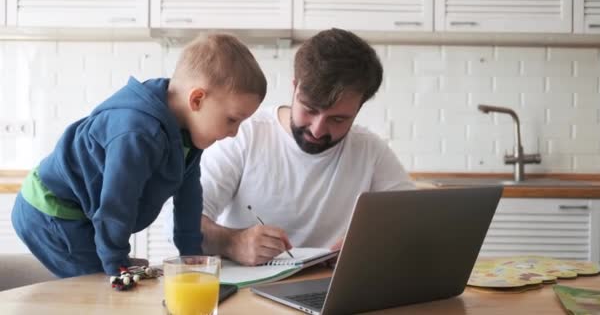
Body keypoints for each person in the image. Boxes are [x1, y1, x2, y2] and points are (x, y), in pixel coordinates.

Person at [11, 33, 267, 278]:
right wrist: (117, 265)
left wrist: (192, 259)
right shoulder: (138, 133)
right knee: (102, 288)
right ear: (197, 99)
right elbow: (116, 205)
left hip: (84, 213)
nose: (234, 133)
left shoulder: (188, 133)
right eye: (232, 119)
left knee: (112, 281)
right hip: (50, 211)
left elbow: (189, 199)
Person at [193, 28, 416, 266]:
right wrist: (232, 242)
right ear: (295, 86)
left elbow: (415, 224)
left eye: (338, 119)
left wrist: (374, 241)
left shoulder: (370, 150)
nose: (318, 130)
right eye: (310, 109)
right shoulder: (245, 135)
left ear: (359, 108)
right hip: (248, 293)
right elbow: (181, 222)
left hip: (329, 293)